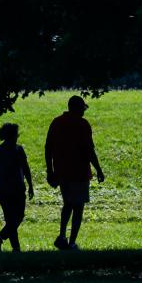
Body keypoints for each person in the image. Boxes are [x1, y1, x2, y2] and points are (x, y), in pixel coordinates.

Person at [44, 95, 105, 250]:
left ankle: (62, 235)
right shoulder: (83, 124)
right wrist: (98, 169)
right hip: (80, 171)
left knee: (68, 204)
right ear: (78, 108)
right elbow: (89, 150)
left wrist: (50, 170)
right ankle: (72, 242)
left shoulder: (57, 122)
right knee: (78, 208)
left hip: (62, 171)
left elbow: (48, 147)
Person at [0, 122, 34, 252]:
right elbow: (26, 168)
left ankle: (7, 243)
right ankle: (9, 243)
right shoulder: (18, 149)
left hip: (1, 189)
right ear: (12, 136)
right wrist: (30, 185)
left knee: (10, 218)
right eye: (15, 135)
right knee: (17, 217)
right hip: (17, 188)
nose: (17, 137)